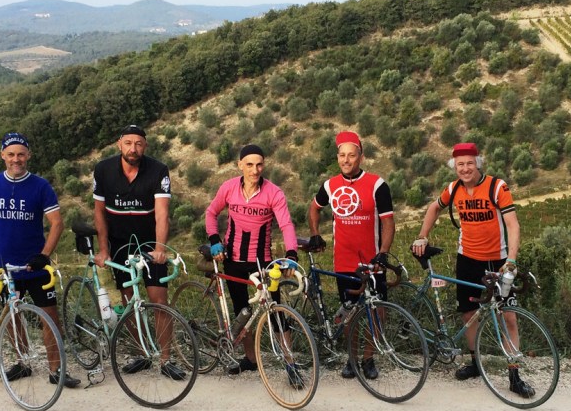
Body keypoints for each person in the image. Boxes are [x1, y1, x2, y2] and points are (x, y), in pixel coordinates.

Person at [411, 142, 534, 397]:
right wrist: (423, 235)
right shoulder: (453, 189)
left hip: (497, 261)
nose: (465, 169)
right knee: (469, 314)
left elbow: (513, 225)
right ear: (454, 167)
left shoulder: (497, 187)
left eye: (469, 163)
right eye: (460, 164)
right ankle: (475, 363)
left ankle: (514, 376)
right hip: (467, 259)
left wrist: (511, 260)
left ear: (478, 163)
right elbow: (434, 207)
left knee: (508, 317)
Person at [0, 132, 80, 388]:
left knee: (50, 317)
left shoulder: (41, 186)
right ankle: (23, 362)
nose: (16, 159)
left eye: (21, 154)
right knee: (12, 316)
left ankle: (56, 370)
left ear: (29, 156)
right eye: (11, 154)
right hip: (6, 268)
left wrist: (44, 255)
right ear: (2, 156)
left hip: (35, 265)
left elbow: (57, 224)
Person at [92, 124, 185, 380]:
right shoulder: (103, 170)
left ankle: (165, 359)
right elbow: (99, 213)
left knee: (159, 301)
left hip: (149, 243)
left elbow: (162, 214)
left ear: (145, 146)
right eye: (128, 143)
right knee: (129, 302)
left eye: (139, 144)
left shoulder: (158, 170)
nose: (133, 149)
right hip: (119, 243)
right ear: (119, 144)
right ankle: (141, 353)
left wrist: (160, 248)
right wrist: (104, 249)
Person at [205, 144, 301, 386]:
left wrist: (291, 254)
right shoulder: (229, 187)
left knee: (275, 312)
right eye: (249, 164)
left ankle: (290, 364)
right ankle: (250, 359)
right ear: (240, 165)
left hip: (262, 263)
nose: (254, 170)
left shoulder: (274, 192)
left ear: (264, 165)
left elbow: (286, 225)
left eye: (259, 165)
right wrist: (214, 240)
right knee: (242, 312)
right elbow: (211, 213)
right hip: (233, 261)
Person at [307, 130, 395, 380]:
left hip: (372, 260)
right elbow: (314, 208)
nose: (346, 160)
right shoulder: (330, 185)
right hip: (344, 261)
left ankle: (369, 358)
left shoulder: (377, 185)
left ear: (361, 157)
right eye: (342, 155)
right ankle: (352, 358)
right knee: (349, 313)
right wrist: (315, 233)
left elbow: (388, 223)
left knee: (377, 311)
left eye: (352, 155)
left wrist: (383, 253)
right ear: (337, 157)